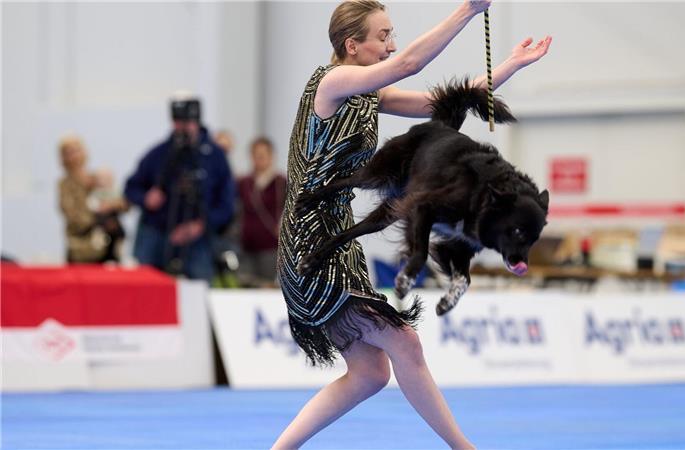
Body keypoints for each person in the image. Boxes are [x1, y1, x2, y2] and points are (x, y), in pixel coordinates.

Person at [273, 1, 552, 448]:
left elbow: (440, 103)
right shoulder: (332, 82)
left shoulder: (367, 93)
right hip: (311, 237)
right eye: (382, 36)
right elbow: (409, 63)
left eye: (391, 35)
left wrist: (510, 66)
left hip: (336, 233)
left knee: (369, 374)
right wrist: (467, 9)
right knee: (405, 344)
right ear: (352, 45)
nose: (392, 46)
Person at [124, 94, 235, 282]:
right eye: (178, 122)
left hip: (197, 236)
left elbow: (227, 205)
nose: (182, 128)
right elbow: (131, 188)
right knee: (146, 282)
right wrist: (146, 198)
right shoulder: (158, 154)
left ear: (197, 122)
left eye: (188, 122)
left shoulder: (215, 157)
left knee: (199, 283)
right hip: (158, 231)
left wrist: (200, 225)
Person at [58, 134, 128, 263]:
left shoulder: (96, 178)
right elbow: (73, 216)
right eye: (69, 152)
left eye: (76, 150)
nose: (74, 156)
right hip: (82, 248)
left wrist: (111, 206)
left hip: (108, 246)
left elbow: (122, 202)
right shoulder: (64, 185)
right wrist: (98, 217)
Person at [236, 136, 287, 287]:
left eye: (263, 155)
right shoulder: (243, 182)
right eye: (256, 155)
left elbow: (294, 209)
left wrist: (283, 227)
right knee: (245, 285)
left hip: (270, 246)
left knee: (266, 286)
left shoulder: (281, 182)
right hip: (246, 245)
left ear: (271, 156)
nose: (259, 159)